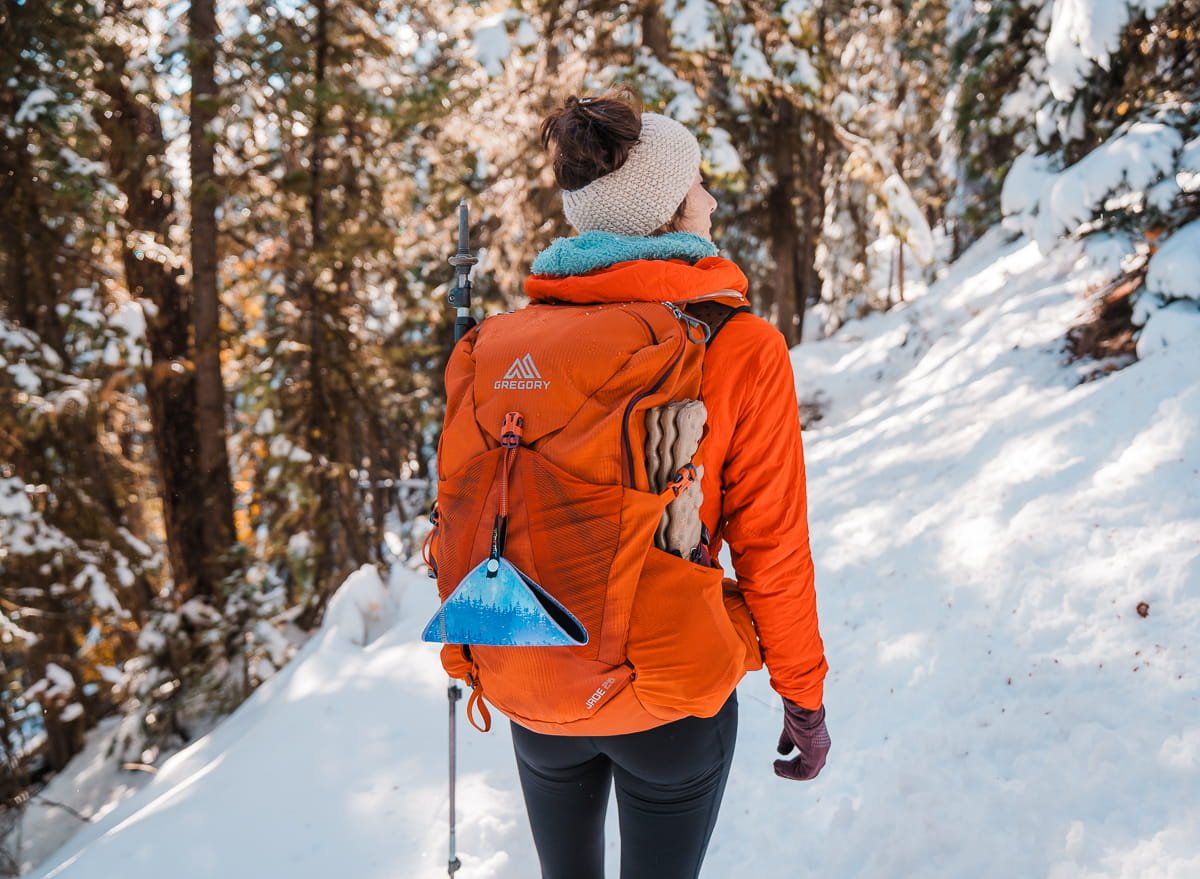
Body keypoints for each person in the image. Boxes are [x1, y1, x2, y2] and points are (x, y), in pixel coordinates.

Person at [492, 86, 831, 879]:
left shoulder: (510, 345)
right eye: (697, 183)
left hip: (540, 681)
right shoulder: (738, 344)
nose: (709, 196)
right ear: (673, 213)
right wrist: (804, 696)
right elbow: (772, 549)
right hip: (669, 698)